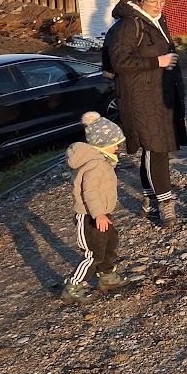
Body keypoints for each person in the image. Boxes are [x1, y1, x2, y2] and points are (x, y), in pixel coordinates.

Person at [106, 0, 187, 229]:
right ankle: (165, 204)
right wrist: (158, 62)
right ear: (142, 0)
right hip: (140, 96)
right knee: (156, 149)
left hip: (158, 94)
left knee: (156, 147)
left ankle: (149, 200)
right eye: (154, 1)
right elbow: (120, 61)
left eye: (162, 1)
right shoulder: (129, 24)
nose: (159, 5)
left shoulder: (157, 20)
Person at [60, 111, 133, 305]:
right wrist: (99, 214)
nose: (118, 147)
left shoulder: (101, 162)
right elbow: (90, 192)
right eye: (115, 143)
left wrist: (102, 213)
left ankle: (107, 276)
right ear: (103, 144)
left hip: (101, 214)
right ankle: (73, 285)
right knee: (93, 253)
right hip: (89, 216)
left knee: (109, 243)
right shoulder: (95, 165)